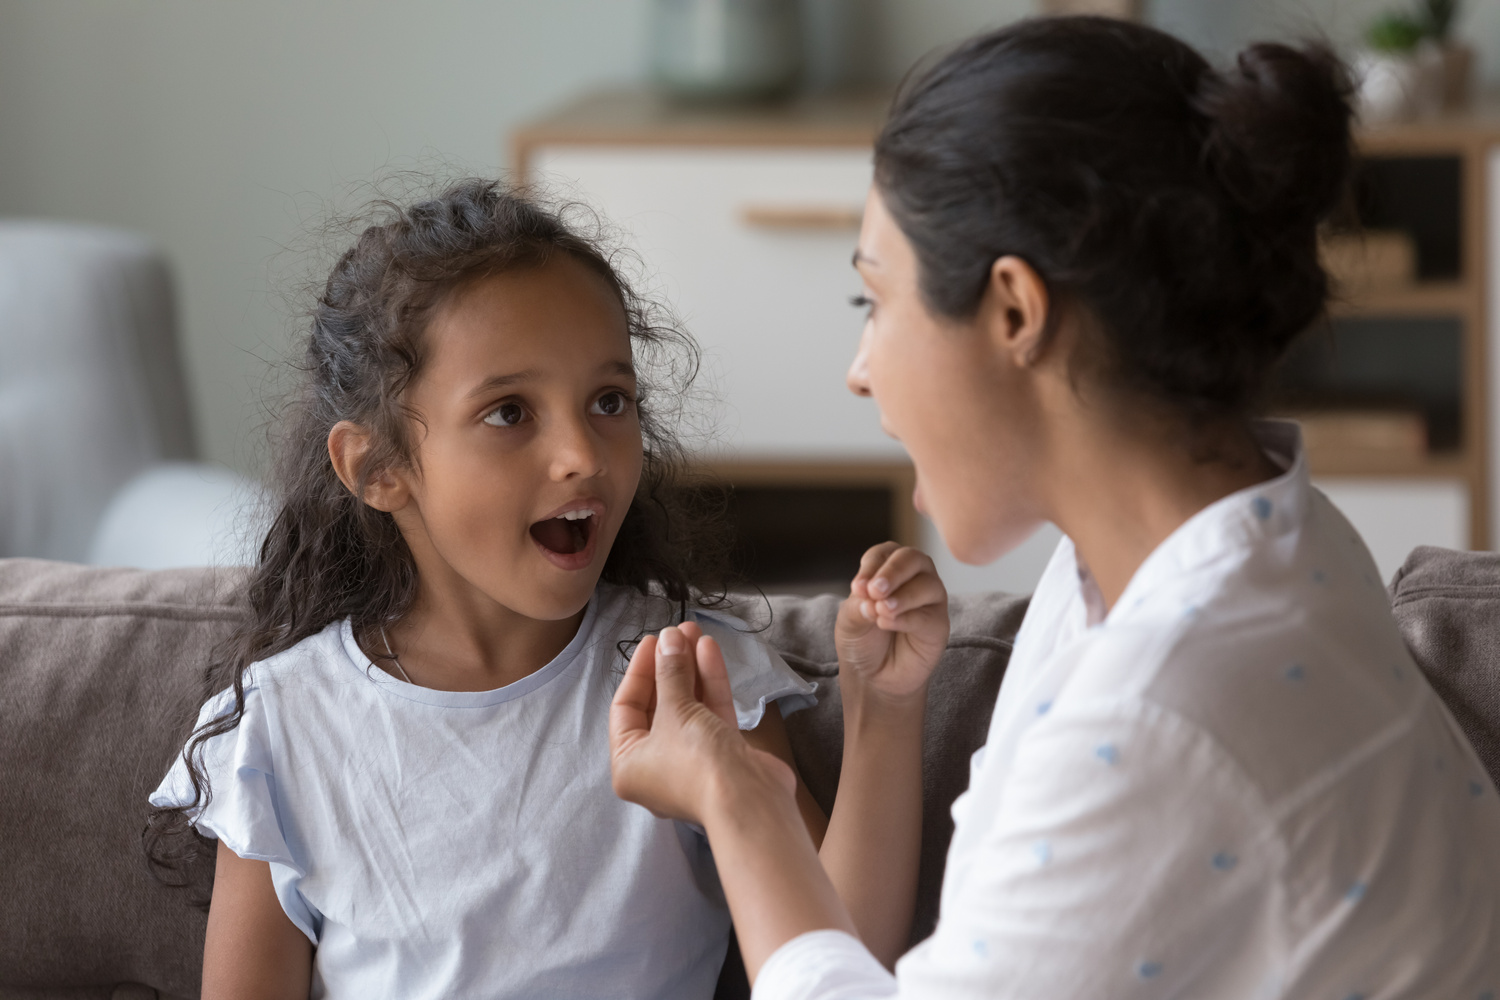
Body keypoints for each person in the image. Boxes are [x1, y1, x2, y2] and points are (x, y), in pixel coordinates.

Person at [608, 17, 1500, 999]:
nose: (860, 372)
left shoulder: (1164, 705)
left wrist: (738, 799)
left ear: (1014, 313)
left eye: (876, 302)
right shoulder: (1250, 542)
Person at [143, 180, 948, 998]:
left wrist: (883, 707)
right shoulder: (282, 732)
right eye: (509, 413)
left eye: (609, 401)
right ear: (378, 468)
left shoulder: (690, 678)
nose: (582, 455)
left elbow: (842, 967)